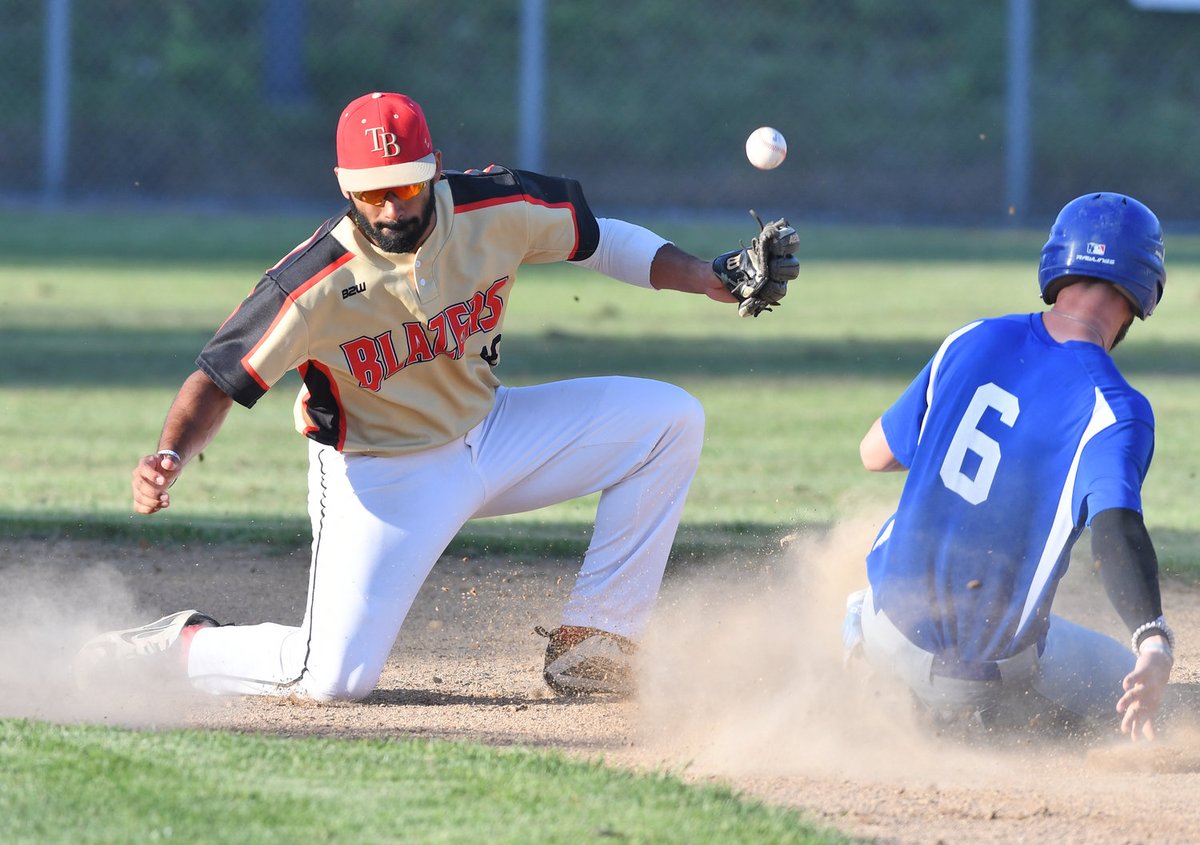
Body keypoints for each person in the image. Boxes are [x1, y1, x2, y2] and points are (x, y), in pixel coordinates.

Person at [74, 91, 795, 701]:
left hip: (495, 430)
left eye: (406, 186)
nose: (390, 207)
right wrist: (169, 451)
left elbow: (598, 239)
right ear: (343, 185)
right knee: (330, 677)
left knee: (670, 422)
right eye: (371, 191)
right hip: (384, 477)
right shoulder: (312, 283)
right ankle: (181, 647)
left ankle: (595, 644)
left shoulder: (495, 207)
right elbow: (218, 376)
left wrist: (708, 275)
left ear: (435, 170)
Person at [843, 192, 1174, 741]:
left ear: (1056, 263)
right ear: (1145, 287)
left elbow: (874, 454)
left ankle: (858, 638)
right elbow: (1115, 531)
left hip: (885, 628)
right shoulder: (1115, 408)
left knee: (886, 544)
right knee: (1153, 694)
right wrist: (1153, 640)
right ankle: (967, 719)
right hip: (976, 680)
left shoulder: (972, 337)